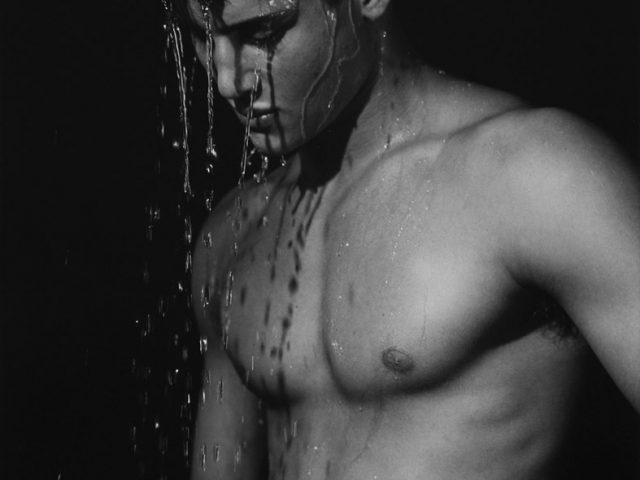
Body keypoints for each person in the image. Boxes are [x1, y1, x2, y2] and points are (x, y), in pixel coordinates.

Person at [179, 0, 640, 478]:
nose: (228, 80)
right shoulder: (233, 236)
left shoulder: (534, 178)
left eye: (264, 33)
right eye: (205, 38)